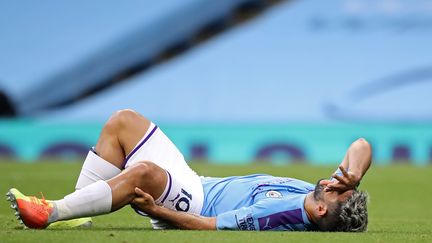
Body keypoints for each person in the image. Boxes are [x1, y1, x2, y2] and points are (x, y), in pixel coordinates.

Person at [6, 109, 371, 231]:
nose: (332, 179)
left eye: (338, 188)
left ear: (322, 209)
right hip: (196, 182)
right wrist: (353, 175)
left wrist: (155, 211)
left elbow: (212, 226)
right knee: (124, 122)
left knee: (143, 172)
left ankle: (54, 211)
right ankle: (75, 215)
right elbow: (361, 145)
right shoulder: (316, 194)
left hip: (195, 204)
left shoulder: (281, 212)